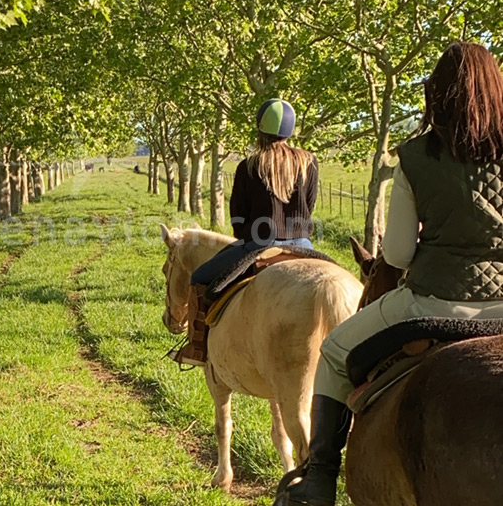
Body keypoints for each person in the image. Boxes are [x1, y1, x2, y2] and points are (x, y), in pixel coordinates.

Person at [273, 41, 503, 506]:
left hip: (433, 301)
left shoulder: (418, 157)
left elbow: (395, 254)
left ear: (436, 95)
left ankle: (318, 480)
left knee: (336, 352)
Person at [169, 98, 318, 366]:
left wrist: (244, 235)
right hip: (304, 246)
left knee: (200, 277)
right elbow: (311, 204)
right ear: (291, 130)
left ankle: (198, 349)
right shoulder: (309, 162)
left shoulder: (249, 166)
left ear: (259, 128)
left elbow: (238, 215)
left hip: (260, 244)